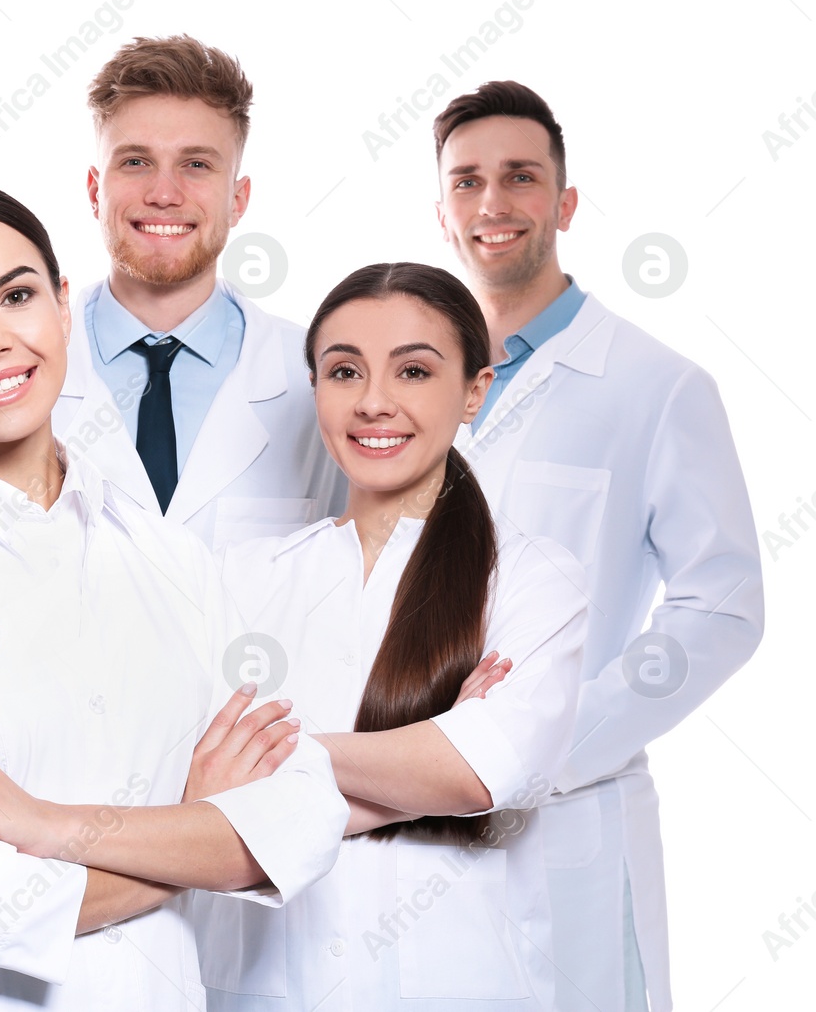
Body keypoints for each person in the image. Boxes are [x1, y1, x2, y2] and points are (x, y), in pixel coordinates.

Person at [0, 180, 351, 1010]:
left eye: (15, 295)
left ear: (61, 306)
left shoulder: (171, 558)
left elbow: (302, 814)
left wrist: (39, 820)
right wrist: (194, 833)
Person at [430, 81, 765, 1011]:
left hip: (566, 826)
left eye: (520, 178)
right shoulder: (407, 382)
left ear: (565, 204)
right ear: (442, 208)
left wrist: (545, 737)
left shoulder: (656, 386)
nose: (492, 205)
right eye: (467, 182)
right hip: (405, 820)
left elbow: (724, 606)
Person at [196, 262, 586, 1010]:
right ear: (316, 388)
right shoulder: (241, 578)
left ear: (476, 389)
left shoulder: (535, 579)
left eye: (413, 370)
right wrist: (425, 748)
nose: (374, 401)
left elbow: (475, 774)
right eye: (345, 371)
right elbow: (186, 789)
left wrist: (271, 763)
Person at [53, 35, 346, 548]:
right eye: (136, 162)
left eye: (196, 165)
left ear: (238, 199)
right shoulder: (22, 374)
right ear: (96, 191)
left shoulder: (316, 380)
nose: (164, 194)